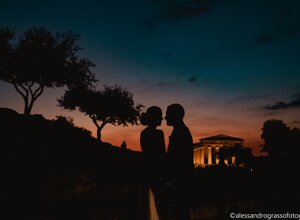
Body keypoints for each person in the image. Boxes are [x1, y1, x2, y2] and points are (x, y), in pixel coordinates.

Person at [165, 103, 194, 220]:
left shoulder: (180, 132)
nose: (165, 117)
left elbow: (176, 160)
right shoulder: (180, 131)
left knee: (180, 212)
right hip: (181, 180)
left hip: (180, 181)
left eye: (167, 114)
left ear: (175, 115)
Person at [140, 106, 168, 220]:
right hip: (158, 173)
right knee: (160, 203)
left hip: (148, 172)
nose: (162, 119)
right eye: (160, 116)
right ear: (155, 118)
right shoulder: (159, 133)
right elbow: (161, 155)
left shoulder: (144, 133)